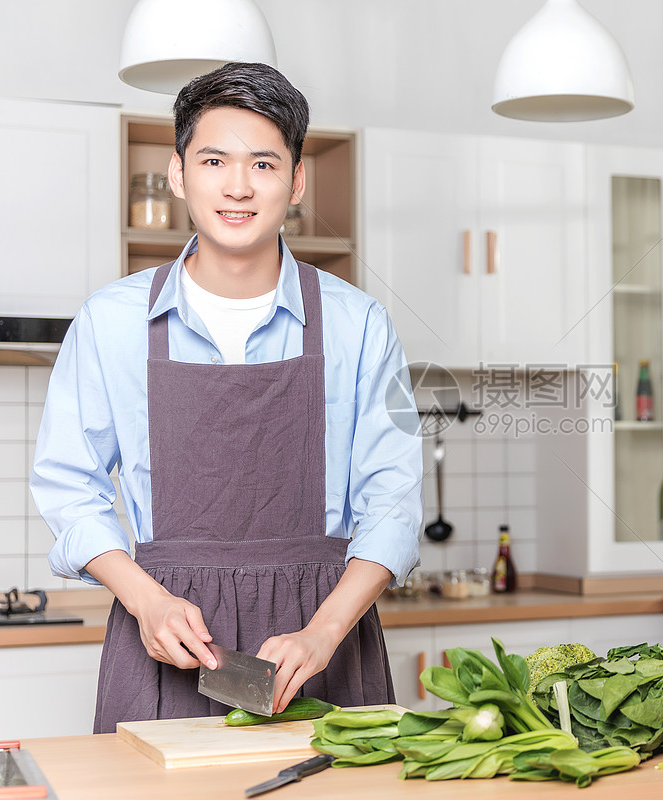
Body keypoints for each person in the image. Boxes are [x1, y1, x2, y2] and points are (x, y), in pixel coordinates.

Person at [30, 62, 423, 734]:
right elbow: (69, 487)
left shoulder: (359, 324)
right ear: (180, 172)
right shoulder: (111, 322)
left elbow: (394, 499)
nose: (239, 186)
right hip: (166, 641)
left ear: (297, 180)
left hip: (323, 643)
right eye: (215, 160)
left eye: (264, 164)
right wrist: (146, 602)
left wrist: (324, 634)